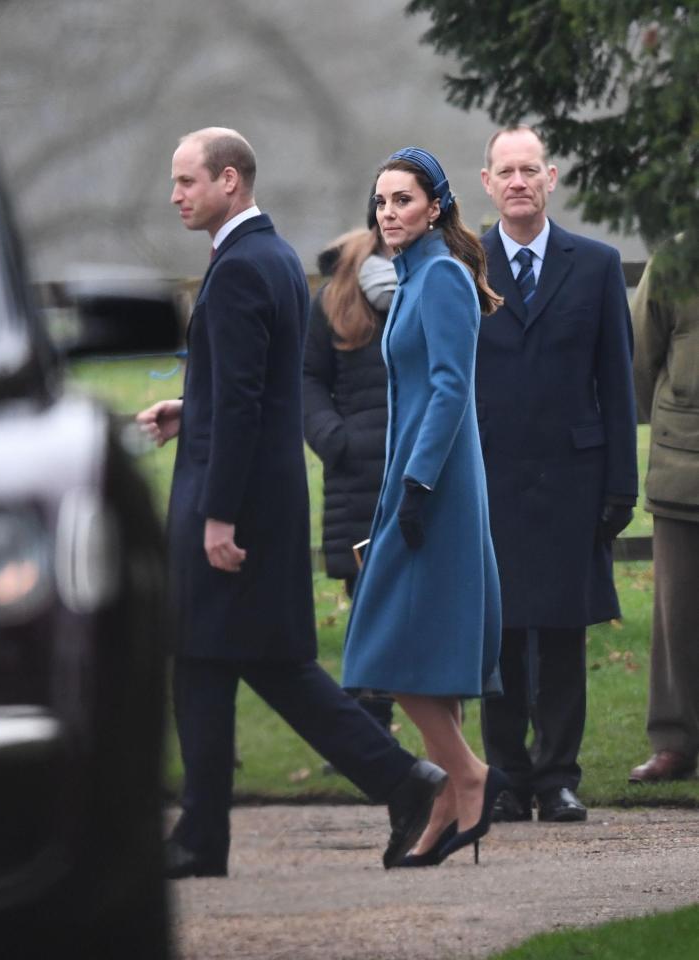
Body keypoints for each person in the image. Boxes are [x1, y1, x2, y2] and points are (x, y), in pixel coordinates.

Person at [136, 127, 447, 878]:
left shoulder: (243, 267)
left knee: (257, 666)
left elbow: (245, 399)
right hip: (258, 496)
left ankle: (407, 782)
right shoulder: (268, 257)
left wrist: (217, 514)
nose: (175, 195)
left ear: (231, 181)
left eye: (188, 181)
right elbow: (256, 387)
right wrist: (191, 406)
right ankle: (207, 835)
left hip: (234, 508)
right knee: (221, 663)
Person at [343, 147, 506, 868]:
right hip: (410, 479)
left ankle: (465, 777)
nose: (388, 213)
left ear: (434, 206)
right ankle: (448, 798)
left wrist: (417, 484)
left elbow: (449, 388)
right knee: (412, 648)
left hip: (434, 484)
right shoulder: (410, 279)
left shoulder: (440, 276)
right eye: (381, 202)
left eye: (403, 200)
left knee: (391, 647)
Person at [477, 125, 638, 823]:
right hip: (489, 475)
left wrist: (620, 486)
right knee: (500, 632)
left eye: (529, 169)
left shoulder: (596, 265)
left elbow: (618, 381)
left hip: (574, 477)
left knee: (564, 632)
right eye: (505, 170)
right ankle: (507, 777)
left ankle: (557, 777)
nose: (518, 181)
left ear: (552, 178)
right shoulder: (462, 264)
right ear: (487, 183)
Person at [303, 213, 396, 731]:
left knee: (435, 608)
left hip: (430, 468)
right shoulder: (338, 290)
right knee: (368, 607)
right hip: (358, 475)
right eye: (387, 203)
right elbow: (308, 377)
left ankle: (447, 747)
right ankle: (368, 737)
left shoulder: (445, 278)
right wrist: (333, 439)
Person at [628, 254, 699, 784]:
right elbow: (640, 358)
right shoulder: (676, 257)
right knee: (678, 614)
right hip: (684, 466)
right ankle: (675, 741)